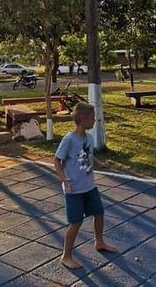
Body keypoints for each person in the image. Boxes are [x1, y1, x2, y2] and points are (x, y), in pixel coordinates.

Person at [53, 102, 117, 269]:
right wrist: (63, 178)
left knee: (99, 213)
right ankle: (66, 256)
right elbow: (56, 160)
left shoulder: (89, 138)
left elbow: (89, 156)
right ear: (82, 120)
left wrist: (100, 164)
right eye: (92, 118)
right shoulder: (69, 139)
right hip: (73, 189)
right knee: (75, 223)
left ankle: (99, 242)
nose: (95, 120)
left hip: (89, 186)